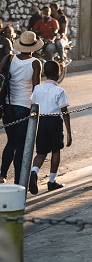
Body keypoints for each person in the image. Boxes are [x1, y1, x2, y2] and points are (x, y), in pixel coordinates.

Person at [0, 31, 42, 185]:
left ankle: (2, 174)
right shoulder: (35, 63)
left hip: (7, 106)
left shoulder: (9, 59)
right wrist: (36, 108)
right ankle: (19, 181)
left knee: (11, 141)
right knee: (21, 145)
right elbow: (36, 88)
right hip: (24, 107)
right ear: (33, 46)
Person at [28, 60, 72, 194]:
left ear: (44, 73)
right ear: (58, 74)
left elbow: (33, 106)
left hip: (41, 121)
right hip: (54, 121)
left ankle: (34, 172)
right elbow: (65, 112)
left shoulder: (37, 89)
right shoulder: (59, 90)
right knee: (56, 150)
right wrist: (69, 133)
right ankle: (51, 181)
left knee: (41, 152)